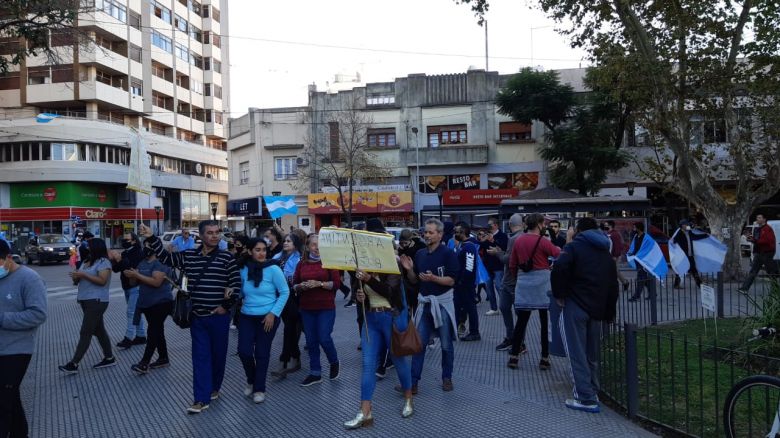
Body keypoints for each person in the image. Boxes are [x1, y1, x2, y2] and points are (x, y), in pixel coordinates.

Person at [139, 220, 240, 415]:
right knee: (200, 358)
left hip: (219, 318)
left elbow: (235, 285)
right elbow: (166, 258)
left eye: (217, 232)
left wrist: (225, 306)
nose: (214, 236)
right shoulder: (189, 255)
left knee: (218, 357)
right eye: (210, 233)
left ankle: (214, 387)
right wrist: (151, 237)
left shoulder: (227, 258)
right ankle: (200, 399)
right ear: (200, 236)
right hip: (197, 317)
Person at [551, 217, 619, 413]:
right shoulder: (604, 250)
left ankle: (585, 397)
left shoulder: (574, 247)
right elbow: (612, 282)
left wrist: (560, 295)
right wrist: (608, 311)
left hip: (576, 305)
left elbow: (560, 268)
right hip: (597, 308)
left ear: (578, 231)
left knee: (576, 353)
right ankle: (592, 389)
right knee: (591, 353)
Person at [344, 267, 414, 430]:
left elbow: (389, 291)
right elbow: (356, 291)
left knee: (398, 360)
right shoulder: (361, 269)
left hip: (390, 318)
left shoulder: (391, 268)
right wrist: (359, 297)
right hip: (370, 319)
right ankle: (365, 411)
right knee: (368, 365)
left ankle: (409, 398)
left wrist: (369, 279)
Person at [399, 218, 460, 393]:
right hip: (425, 303)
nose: (426, 235)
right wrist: (409, 269)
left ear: (440, 234)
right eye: (425, 232)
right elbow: (415, 280)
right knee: (419, 344)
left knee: (446, 344)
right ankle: (413, 382)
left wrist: (434, 278)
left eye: (431, 232)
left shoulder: (448, 253)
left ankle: (447, 377)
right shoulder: (420, 254)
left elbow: (451, 281)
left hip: (442, 303)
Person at [0, 239, 47, 438]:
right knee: (11, 400)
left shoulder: (29, 278)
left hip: (16, 350)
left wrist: (2, 319)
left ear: (9, 258)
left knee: (2, 404)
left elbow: (38, 314)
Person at [238, 238, 289, 403]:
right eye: (257, 250)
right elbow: (240, 291)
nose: (262, 253)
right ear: (250, 251)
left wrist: (273, 313)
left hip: (268, 317)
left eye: (264, 250)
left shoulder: (273, 268)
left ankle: (259, 388)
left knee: (261, 352)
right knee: (244, 351)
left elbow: (284, 292)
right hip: (246, 315)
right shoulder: (243, 268)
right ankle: (251, 380)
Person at [507, 213, 561, 370]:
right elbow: (558, 254)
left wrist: (518, 278)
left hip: (524, 284)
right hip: (542, 284)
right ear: (538, 224)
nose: (544, 226)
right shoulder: (543, 241)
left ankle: (514, 356)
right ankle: (544, 358)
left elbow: (512, 264)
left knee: (521, 323)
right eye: (543, 224)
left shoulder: (519, 240)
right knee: (545, 323)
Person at [59, 238, 116, 373]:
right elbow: (79, 279)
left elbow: (102, 281)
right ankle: (109, 358)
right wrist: (76, 277)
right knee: (99, 330)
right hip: (85, 300)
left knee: (86, 332)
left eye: (88, 246)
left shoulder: (104, 262)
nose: (86, 248)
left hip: (97, 300)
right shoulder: (86, 261)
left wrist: (83, 274)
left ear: (95, 247)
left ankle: (74, 364)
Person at [292, 234, 341, 386]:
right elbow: (294, 284)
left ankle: (334, 362)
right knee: (311, 341)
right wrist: (301, 286)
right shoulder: (301, 264)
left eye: (320, 244)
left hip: (325, 307)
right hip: (307, 307)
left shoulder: (329, 262)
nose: (317, 248)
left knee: (324, 337)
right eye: (314, 245)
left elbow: (337, 284)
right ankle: (315, 373)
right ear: (307, 247)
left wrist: (319, 284)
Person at [123, 239, 175, 374]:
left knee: (153, 331)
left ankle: (144, 363)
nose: (146, 248)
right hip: (146, 304)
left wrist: (137, 274)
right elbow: (134, 282)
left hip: (161, 303)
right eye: (144, 245)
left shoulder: (161, 263)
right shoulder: (142, 262)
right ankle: (163, 358)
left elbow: (156, 282)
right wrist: (132, 275)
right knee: (158, 331)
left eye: (149, 246)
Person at [270, 233, 304, 379]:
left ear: (295, 244)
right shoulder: (277, 257)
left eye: (289, 241)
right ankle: (294, 358)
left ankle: (285, 361)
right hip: (281, 297)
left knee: (291, 329)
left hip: (295, 297)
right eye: (284, 241)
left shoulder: (300, 258)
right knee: (289, 329)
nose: (285, 243)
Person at [109, 232, 146, 350]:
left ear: (134, 240)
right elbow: (115, 269)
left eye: (127, 239)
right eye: (123, 239)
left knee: (131, 312)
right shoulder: (125, 252)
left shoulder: (138, 252)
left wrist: (120, 260)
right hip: (127, 286)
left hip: (136, 286)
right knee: (136, 312)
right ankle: (141, 335)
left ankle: (128, 337)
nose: (124, 241)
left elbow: (132, 268)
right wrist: (115, 259)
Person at [494, 213, 524, 351]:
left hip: (511, 281)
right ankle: (515, 339)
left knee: (506, 308)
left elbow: (508, 260)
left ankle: (515, 340)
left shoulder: (514, 238)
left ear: (510, 225)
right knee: (514, 311)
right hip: (517, 280)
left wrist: (498, 253)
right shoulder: (524, 237)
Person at [454, 221, 480, 341]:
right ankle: (460, 328)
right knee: (463, 307)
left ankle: (474, 332)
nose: (455, 233)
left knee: (470, 308)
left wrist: (461, 281)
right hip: (462, 283)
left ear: (463, 232)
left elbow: (469, 267)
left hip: (466, 284)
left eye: (457, 231)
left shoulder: (468, 246)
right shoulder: (464, 245)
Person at [739, 213, 778, 293]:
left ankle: (775, 289)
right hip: (758, 253)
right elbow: (757, 239)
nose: (758, 219)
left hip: (767, 253)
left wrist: (754, 240)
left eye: (760, 218)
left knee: (771, 272)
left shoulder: (767, 229)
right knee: (753, 271)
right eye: (757, 218)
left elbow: (766, 241)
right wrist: (750, 238)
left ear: (764, 219)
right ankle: (744, 288)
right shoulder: (758, 229)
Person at [480, 217, 508, 316]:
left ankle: (504, 307)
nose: (488, 227)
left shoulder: (503, 235)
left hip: (498, 264)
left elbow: (504, 248)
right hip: (487, 265)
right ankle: (493, 308)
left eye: (490, 224)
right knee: (488, 287)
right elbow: (482, 248)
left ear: (496, 225)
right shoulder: (487, 235)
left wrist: (493, 241)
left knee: (499, 286)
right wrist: (482, 240)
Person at [672, 219, 706, 288]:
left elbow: (695, 237)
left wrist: (705, 235)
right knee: (680, 269)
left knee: (693, 269)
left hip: (690, 254)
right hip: (683, 256)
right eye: (686, 224)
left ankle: (699, 284)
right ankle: (676, 284)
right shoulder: (679, 233)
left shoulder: (689, 232)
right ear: (682, 225)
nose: (687, 225)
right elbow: (674, 241)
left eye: (687, 224)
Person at [627, 222, 656, 302]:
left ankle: (636, 296)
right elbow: (635, 247)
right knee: (644, 278)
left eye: (634, 227)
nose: (633, 229)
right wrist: (632, 253)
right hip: (638, 260)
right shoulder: (636, 236)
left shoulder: (646, 237)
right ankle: (652, 293)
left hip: (644, 261)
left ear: (638, 228)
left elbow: (648, 248)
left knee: (640, 278)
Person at [601, 221, 629, 291]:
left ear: (610, 226)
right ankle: (624, 282)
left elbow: (617, 246)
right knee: (614, 271)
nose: (605, 226)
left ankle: (623, 283)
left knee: (614, 271)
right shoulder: (609, 233)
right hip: (610, 256)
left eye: (606, 225)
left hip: (614, 256)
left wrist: (615, 256)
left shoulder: (614, 234)